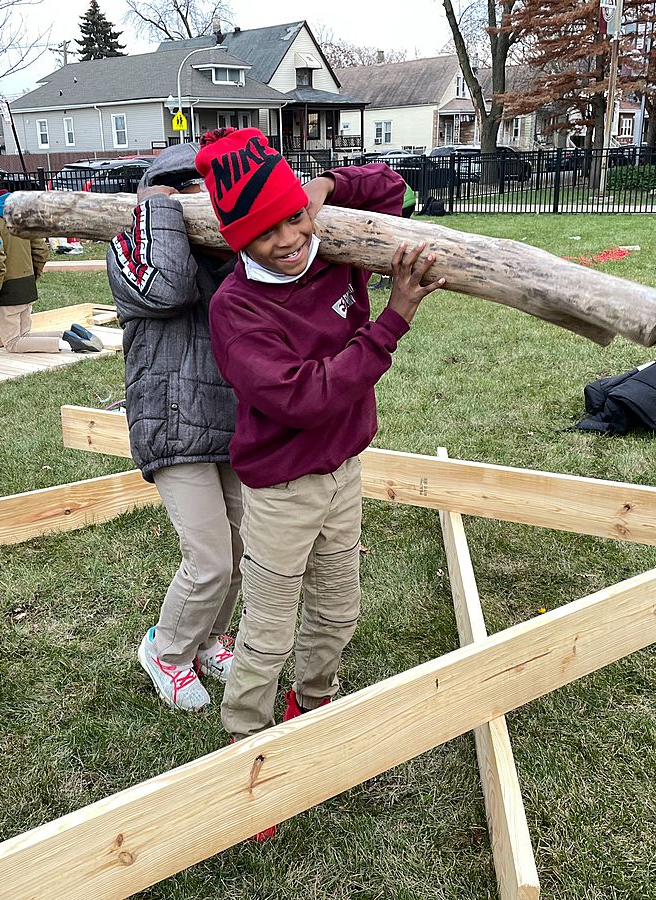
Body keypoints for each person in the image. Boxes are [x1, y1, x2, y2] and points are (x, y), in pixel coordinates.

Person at [196, 128, 444, 765]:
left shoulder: (333, 248)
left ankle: (312, 702)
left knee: (338, 609)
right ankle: (247, 745)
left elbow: (393, 187)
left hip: (344, 471)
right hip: (282, 487)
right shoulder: (237, 307)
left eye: (293, 218)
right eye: (263, 231)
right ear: (236, 239)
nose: (286, 241)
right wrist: (393, 320)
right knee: (269, 631)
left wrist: (326, 188)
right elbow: (305, 398)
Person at [105, 143, 241, 712]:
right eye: (182, 188)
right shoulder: (131, 247)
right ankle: (166, 650)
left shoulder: (234, 256)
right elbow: (166, 291)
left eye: (205, 189)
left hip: (232, 421)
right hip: (174, 418)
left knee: (241, 547)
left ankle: (209, 637)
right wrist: (161, 210)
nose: (197, 200)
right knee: (208, 555)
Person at [0, 165, 101, 355]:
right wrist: (32, 276)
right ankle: (69, 335)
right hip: (27, 283)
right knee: (24, 334)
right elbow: (39, 249)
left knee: (13, 343)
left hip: (6, 289)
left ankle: (69, 344)